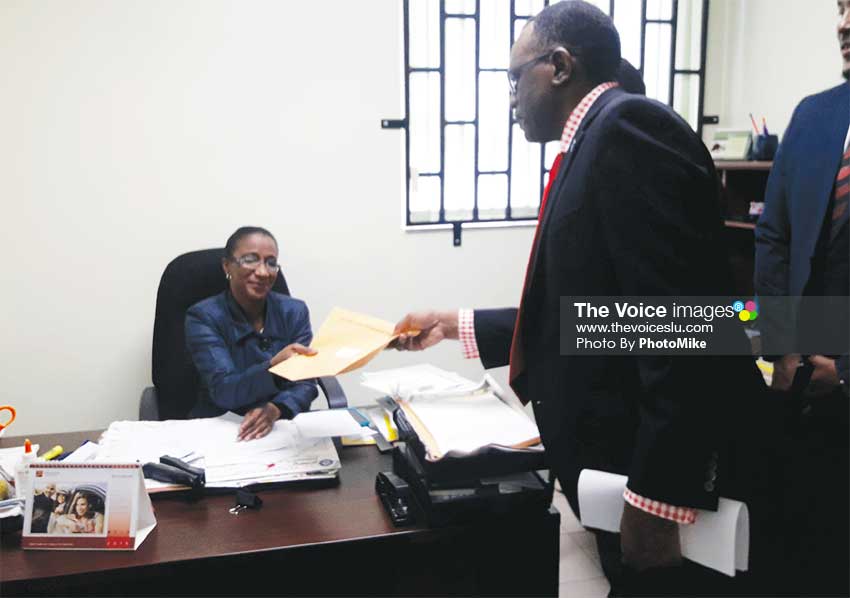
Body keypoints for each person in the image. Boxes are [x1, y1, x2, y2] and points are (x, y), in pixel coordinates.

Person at [394, 2, 764, 595]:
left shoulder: (627, 130)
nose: (510, 96)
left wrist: (655, 496)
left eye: (516, 78)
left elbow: (677, 327)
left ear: (560, 66)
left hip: (640, 476)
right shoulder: (590, 143)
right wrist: (454, 324)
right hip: (606, 467)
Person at [753, 2, 850, 594]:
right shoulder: (812, 117)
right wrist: (782, 346)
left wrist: (844, 373)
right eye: (841, 6)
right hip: (796, 397)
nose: (844, 22)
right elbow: (774, 237)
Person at [185, 226, 318, 441]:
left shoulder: (295, 311)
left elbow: (305, 383)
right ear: (227, 266)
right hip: (221, 427)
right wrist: (274, 367)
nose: (263, 272)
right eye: (250, 259)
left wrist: (276, 408)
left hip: (281, 427)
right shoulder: (203, 317)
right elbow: (224, 390)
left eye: (271, 263)